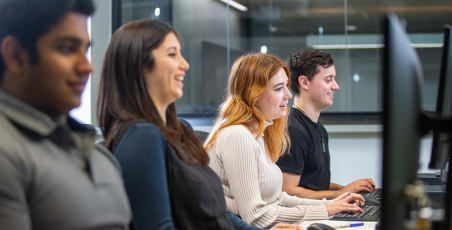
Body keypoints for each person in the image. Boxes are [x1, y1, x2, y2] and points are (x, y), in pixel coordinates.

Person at [98, 18, 303, 230]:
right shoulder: (141, 136)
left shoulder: (181, 130)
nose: (185, 64)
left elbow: (213, 210)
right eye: (172, 54)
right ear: (138, 66)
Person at [0, 0, 131, 229]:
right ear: (16, 55)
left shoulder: (97, 154)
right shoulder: (8, 151)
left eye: (86, 49)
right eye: (67, 49)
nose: (87, 67)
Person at [204, 52, 365, 229]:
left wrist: (330, 204)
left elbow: (278, 198)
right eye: (279, 88)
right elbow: (255, 216)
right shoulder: (237, 135)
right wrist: (325, 211)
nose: (288, 95)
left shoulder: (257, 134)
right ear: (254, 95)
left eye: (286, 87)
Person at [275, 50, 376, 200]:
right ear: (304, 82)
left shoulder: (319, 129)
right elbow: (288, 192)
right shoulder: (294, 130)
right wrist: (341, 193)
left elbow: (314, 185)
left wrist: (349, 190)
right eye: (328, 80)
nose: (335, 86)